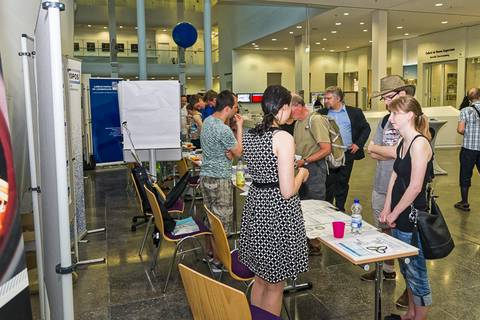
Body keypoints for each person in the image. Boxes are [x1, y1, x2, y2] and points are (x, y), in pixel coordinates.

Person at [239, 85, 309, 316]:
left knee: (260, 278)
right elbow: (287, 190)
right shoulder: (283, 137)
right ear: (285, 107)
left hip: (257, 204)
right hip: (277, 211)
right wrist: (302, 174)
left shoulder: (251, 134)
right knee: (276, 283)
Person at [362, 75, 416, 309]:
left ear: (402, 93)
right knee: (382, 230)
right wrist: (385, 150)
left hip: (405, 189)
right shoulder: (386, 120)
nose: (385, 103)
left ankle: (411, 288)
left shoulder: (418, 119)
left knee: (407, 239)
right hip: (381, 183)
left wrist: (381, 149)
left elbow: (404, 152)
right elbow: (371, 151)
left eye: (387, 97)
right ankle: (386, 269)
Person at [380, 96, 433, 320]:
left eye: (395, 114)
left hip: (412, 218)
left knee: (417, 273)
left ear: (410, 115)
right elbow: (395, 177)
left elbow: (415, 187)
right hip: (400, 216)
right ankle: (410, 314)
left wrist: (394, 212)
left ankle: (419, 316)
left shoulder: (419, 144)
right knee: (407, 269)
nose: (391, 118)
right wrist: (386, 207)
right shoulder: (403, 142)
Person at [291, 93, 331, 255]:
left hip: (314, 169)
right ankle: (306, 241)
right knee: (302, 205)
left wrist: (305, 160)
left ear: (299, 106)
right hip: (301, 166)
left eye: (290, 108)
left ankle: (315, 245)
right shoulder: (298, 123)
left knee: (315, 206)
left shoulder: (315, 120)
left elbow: (326, 149)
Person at [319, 86, 371, 212]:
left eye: (328, 98)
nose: (325, 101)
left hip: (347, 153)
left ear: (339, 99)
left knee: (342, 182)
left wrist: (358, 144)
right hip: (328, 154)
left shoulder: (354, 112)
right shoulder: (321, 113)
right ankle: (328, 209)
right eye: (325, 98)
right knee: (328, 183)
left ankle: (340, 209)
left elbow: (366, 128)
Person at [200, 89, 243, 237]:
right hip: (220, 180)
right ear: (227, 108)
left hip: (205, 176)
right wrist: (240, 127)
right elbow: (239, 152)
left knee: (210, 218)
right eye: (235, 106)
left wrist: (229, 154)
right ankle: (221, 259)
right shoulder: (223, 129)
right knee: (222, 223)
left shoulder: (207, 121)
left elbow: (222, 149)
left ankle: (212, 254)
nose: (236, 109)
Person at [455, 87, 480, 212]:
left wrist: (469, 132)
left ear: (469, 98)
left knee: (465, 175)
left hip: (469, 149)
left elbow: (460, 129)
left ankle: (464, 202)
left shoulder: (465, 110)